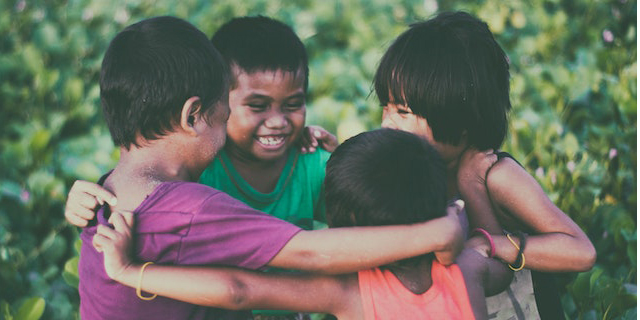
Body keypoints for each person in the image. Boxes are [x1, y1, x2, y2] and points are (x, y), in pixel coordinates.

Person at [78, 15, 465, 320]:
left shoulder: (108, 190)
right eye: (224, 112)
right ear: (193, 115)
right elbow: (307, 254)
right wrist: (436, 233)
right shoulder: (189, 207)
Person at [94, 128, 513, 320]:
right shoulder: (468, 268)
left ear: (342, 229)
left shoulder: (347, 293)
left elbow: (238, 291)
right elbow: (499, 263)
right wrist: (465, 205)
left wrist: (130, 271)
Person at [373, 11, 596, 318]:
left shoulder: (498, 176)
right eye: (385, 107)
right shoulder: (415, 170)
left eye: (403, 111)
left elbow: (581, 252)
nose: (387, 124)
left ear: (460, 121)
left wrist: (495, 244)